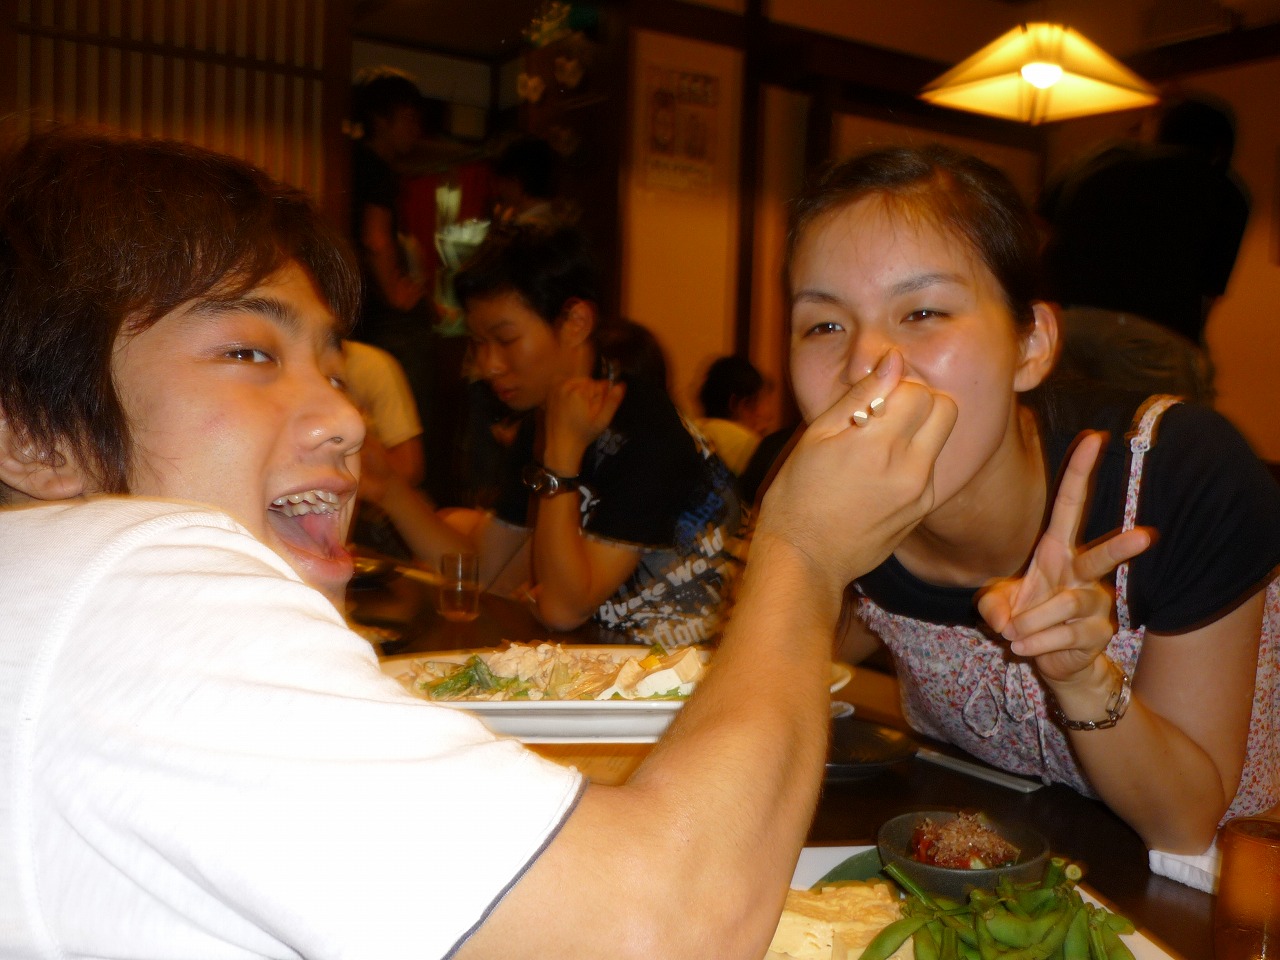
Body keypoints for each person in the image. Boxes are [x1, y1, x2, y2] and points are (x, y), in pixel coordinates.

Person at [0, 128, 956, 958]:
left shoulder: (648, 434)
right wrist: (803, 551)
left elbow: (543, 594)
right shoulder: (140, 582)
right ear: (31, 435)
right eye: (249, 353)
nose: (344, 416)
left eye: (332, 368)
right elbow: (660, 926)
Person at [786, 143, 1280, 855]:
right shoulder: (824, 490)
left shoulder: (1180, 475)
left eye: (922, 311)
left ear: (1032, 345)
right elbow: (798, 667)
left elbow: (1185, 825)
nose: (864, 364)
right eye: (824, 324)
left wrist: (1082, 680)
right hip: (985, 864)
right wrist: (793, 554)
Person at [363, 224, 748, 649]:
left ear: (575, 323)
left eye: (506, 340)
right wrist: (389, 488)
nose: (488, 365)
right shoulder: (541, 419)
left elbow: (564, 609)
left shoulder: (645, 425)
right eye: (479, 343)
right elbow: (479, 572)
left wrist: (561, 460)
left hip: (684, 674)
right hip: (606, 662)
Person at [1037, 95, 1251, 404]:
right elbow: (1208, 293)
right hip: (1147, 335)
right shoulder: (1223, 189)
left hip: (1066, 325)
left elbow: (1044, 223)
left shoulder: (1103, 160)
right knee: (1162, 427)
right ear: (1219, 147)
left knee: (1065, 420)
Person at [695, 354, 772, 476]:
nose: (768, 414)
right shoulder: (747, 445)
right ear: (736, 403)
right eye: (761, 401)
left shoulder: (691, 430)